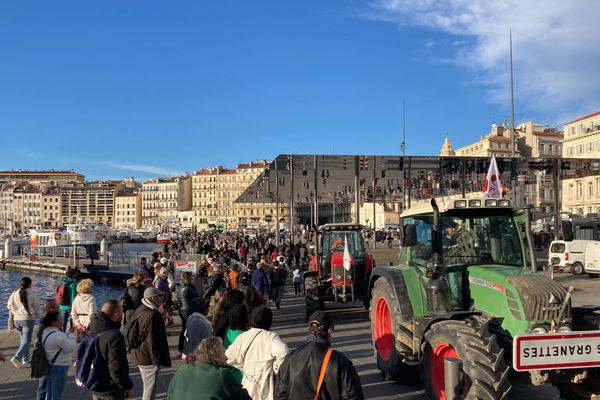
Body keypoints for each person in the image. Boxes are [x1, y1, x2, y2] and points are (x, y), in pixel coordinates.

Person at [275, 310, 364, 400]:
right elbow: (352, 395)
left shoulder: (290, 359)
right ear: (330, 330)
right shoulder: (339, 360)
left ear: (308, 329)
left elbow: (280, 395)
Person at [226, 306, 288, 400]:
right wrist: (275, 368)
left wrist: (244, 367)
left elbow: (228, 357)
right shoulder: (271, 337)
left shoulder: (243, 337)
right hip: (266, 385)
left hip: (248, 383)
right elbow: (284, 353)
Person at [167, 337, 251, 400]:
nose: (226, 357)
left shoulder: (182, 369)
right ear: (215, 355)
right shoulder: (222, 374)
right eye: (223, 352)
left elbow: (170, 395)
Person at [87, 300, 133, 400]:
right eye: (121, 312)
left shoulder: (93, 328)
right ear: (116, 314)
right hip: (111, 389)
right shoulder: (115, 336)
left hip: (95, 384)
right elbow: (116, 368)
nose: (122, 315)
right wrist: (127, 386)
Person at [131, 287, 172, 400]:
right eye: (160, 296)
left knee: (150, 386)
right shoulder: (152, 315)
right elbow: (152, 340)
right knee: (149, 388)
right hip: (147, 357)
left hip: (139, 353)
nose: (162, 298)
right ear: (153, 298)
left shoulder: (141, 308)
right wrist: (156, 361)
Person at [42, 311, 78, 400]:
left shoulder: (46, 331)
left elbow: (59, 342)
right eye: (60, 319)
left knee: (49, 394)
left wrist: (67, 334)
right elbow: (72, 348)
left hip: (50, 365)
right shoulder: (58, 335)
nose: (62, 321)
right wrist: (73, 335)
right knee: (57, 396)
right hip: (59, 367)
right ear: (54, 322)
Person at [7, 276, 40, 367]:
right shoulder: (32, 294)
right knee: (27, 340)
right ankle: (17, 357)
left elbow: (9, 306)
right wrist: (38, 315)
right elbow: (37, 307)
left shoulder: (14, 294)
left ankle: (25, 359)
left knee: (23, 340)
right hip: (27, 320)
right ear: (30, 284)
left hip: (16, 319)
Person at [34, 300, 59, 400]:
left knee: (46, 385)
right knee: (43, 385)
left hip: (48, 357)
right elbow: (40, 341)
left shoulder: (47, 321)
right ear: (52, 309)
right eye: (57, 307)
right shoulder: (44, 324)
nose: (59, 309)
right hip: (45, 358)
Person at [175, 271, 200, 359]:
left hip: (182, 309)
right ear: (188, 278)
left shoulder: (179, 287)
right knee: (188, 330)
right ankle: (186, 350)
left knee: (184, 329)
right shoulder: (188, 288)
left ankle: (181, 349)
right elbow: (196, 295)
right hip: (188, 309)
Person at [57, 267, 78, 332]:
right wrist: (74, 306)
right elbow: (73, 296)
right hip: (70, 306)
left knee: (63, 323)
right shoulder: (73, 283)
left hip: (62, 305)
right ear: (74, 275)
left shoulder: (62, 282)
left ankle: (61, 336)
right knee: (74, 322)